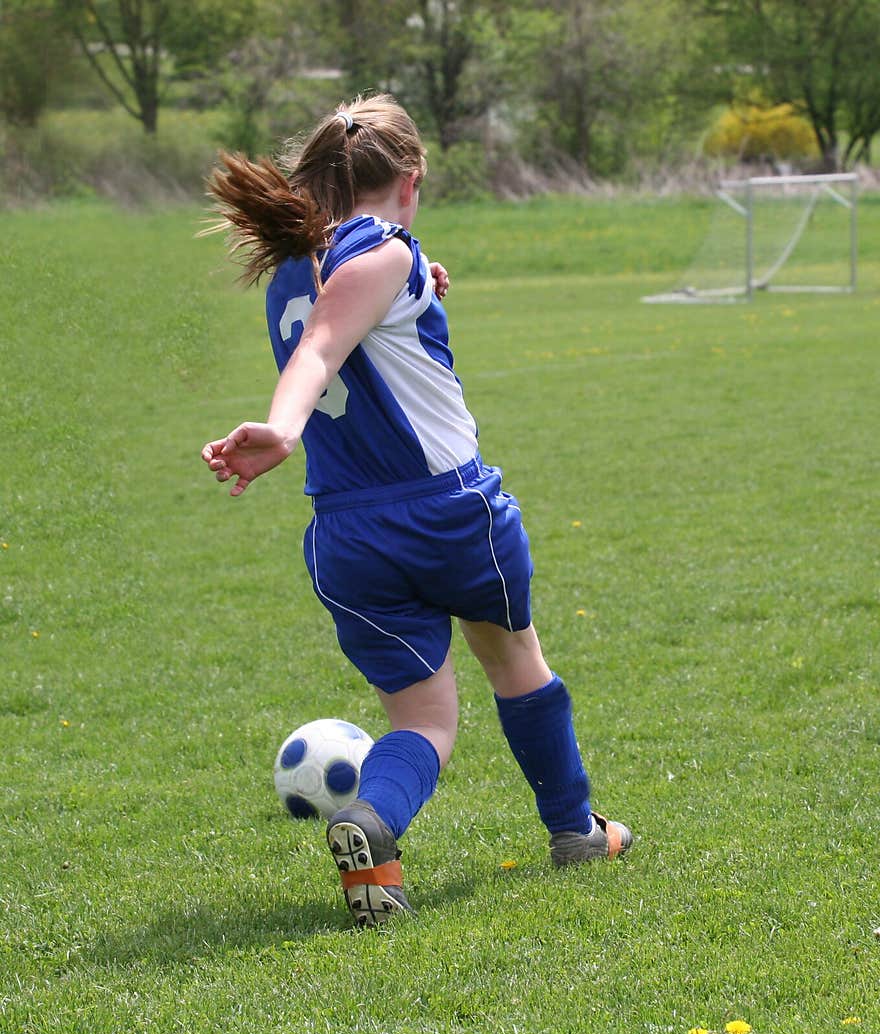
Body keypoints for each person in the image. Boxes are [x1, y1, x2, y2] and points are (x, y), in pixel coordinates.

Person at [200, 92, 632, 928]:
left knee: (424, 718)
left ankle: (374, 830)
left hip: (346, 537)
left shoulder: (296, 268)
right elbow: (330, 344)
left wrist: (419, 287)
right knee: (515, 664)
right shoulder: (382, 254)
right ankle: (577, 831)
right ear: (411, 177)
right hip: (449, 512)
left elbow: (338, 331)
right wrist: (281, 428)